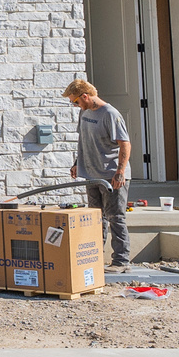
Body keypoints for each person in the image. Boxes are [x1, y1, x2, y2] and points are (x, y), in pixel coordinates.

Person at [65, 78, 132, 268]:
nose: (75, 105)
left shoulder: (110, 114)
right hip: (92, 175)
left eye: (75, 101)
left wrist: (120, 172)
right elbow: (85, 140)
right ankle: (94, 258)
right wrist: (78, 163)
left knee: (115, 217)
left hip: (111, 176)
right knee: (95, 218)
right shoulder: (85, 113)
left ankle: (121, 261)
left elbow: (125, 144)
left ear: (85, 96)